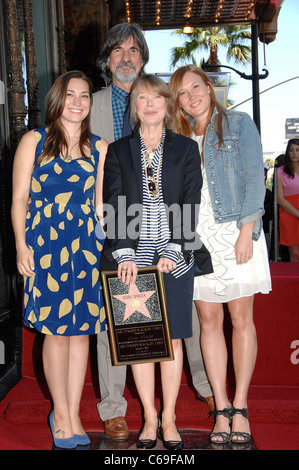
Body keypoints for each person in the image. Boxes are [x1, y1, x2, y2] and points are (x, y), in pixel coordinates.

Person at [90, 23, 213, 440]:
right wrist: (124, 254)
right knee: (140, 343)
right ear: (135, 107)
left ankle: (172, 418)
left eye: (155, 97)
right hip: (133, 257)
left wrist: (176, 248)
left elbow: (190, 202)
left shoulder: (184, 148)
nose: (148, 104)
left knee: (175, 340)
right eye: (141, 99)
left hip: (173, 255)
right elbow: (115, 200)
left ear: (165, 103)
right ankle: (147, 417)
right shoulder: (120, 150)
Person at [169, 65, 271, 445]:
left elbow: (253, 179)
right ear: (176, 101)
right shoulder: (177, 137)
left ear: (209, 87)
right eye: (182, 92)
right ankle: (222, 408)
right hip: (196, 241)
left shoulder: (238, 123)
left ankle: (241, 406)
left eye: (196, 86)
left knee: (240, 320)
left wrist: (246, 231)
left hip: (235, 233)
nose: (191, 95)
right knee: (208, 323)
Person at [11, 70, 108, 449]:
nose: (78, 102)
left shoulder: (99, 148)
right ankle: (62, 415)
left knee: (81, 330)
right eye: (71, 94)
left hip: (85, 247)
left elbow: (101, 205)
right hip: (44, 246)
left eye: (85, 95)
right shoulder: (33, 142)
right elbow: (19, 199)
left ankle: (74, 411)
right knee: (55, 331)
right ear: (57, 99)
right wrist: (21, 245)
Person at [277, 138, 299, 262]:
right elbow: (280, 199)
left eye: (297, 150)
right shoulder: (281, 171)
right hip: (289, 213)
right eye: (291, 150)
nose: (294, 153)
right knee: (295, 255)